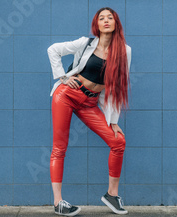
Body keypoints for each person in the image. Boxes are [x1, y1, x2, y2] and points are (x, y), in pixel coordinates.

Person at [47, 7, 131, 216]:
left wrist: (112, 120)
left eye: (109, 17)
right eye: (101, 18)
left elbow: (116, 88)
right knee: (60, 147)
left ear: (115, 23)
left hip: (89, 103)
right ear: (97, 24)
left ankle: (112, 195)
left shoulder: (124, 51)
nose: (105, 21)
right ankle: (58, 202)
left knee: (118, 141)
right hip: (66, 96)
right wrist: (62, 77)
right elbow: (53, 49)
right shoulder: (85, 43)